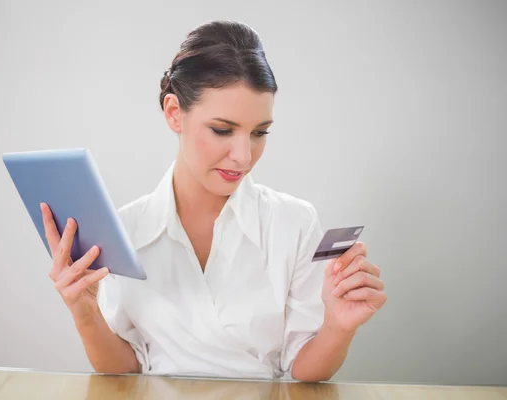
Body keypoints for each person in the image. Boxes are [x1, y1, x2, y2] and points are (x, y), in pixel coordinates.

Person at [40, 20, 386, 381]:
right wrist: (85, 313)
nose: (244, 156)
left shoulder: (293, 223)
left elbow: (304, 372)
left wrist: (338, 326)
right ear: (174, 113)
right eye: (222, 130)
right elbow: (124, 368)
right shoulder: (125, 229)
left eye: (259, 133)